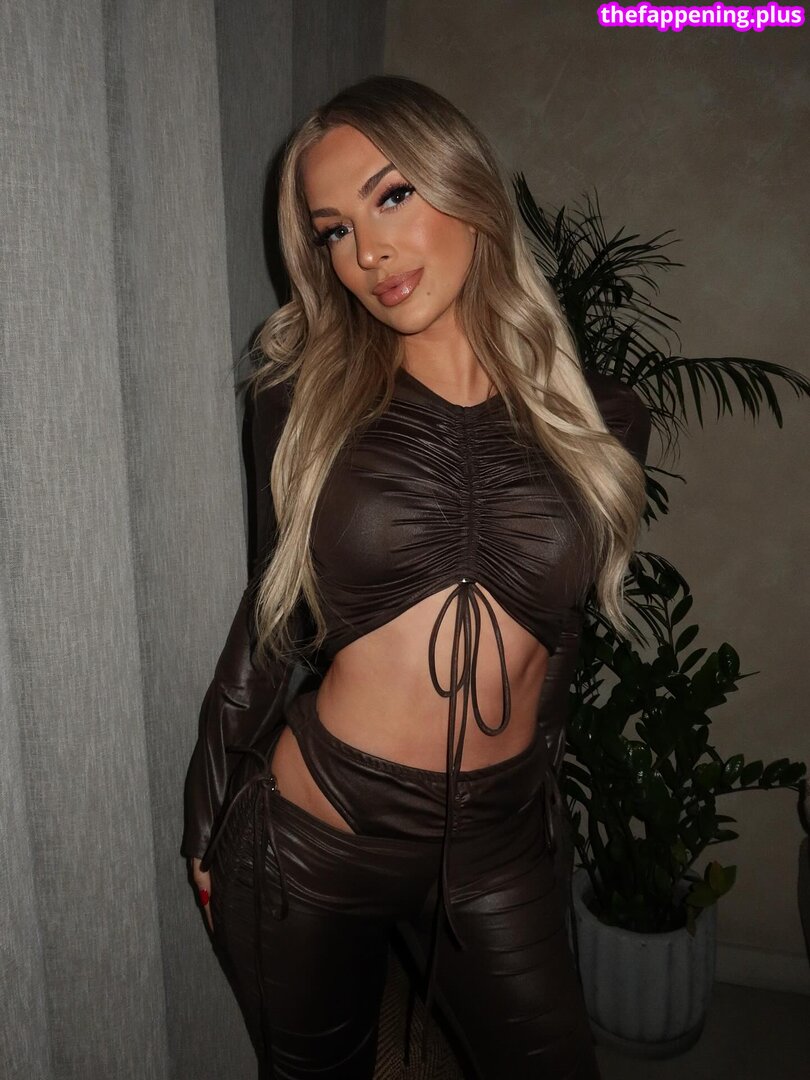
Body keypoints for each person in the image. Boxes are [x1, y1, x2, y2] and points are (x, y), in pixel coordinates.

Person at [181, 74, 651, 1080]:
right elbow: (271, 614)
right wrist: (207, 813)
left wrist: (542, 800)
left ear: (464, 183)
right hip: (317, 831)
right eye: (334, 233)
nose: (369, 253)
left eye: (391, 196)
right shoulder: (300, 401)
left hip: (498, 836)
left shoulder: (602, 418)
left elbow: (560, 637)